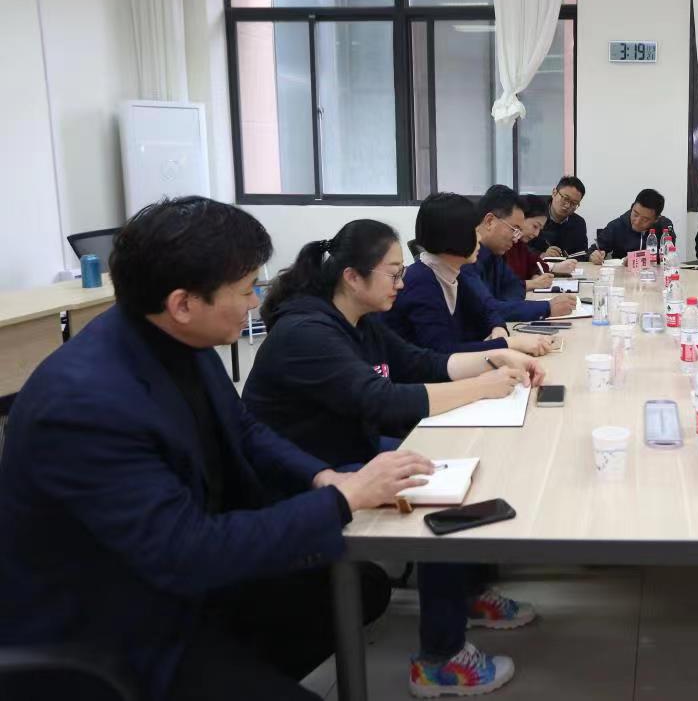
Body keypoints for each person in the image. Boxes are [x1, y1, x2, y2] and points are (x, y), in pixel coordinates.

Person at [0, 197, 425, 701]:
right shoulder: (84, 405)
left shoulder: (174, 336)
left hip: (178, 581)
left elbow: (244, 429)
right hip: (117, 627)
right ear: (183, 303)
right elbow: (188, 552)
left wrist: (323, 478)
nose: (255, 303)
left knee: (359, 588)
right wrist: (341, 501)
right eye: (245, 290)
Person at [243, 218, 545, 698]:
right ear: (352, 277)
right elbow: (384, 401)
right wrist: (483, 386)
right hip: (308, 475)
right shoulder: (307, 333)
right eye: (394, 273)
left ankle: (465, 595)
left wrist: (498, 356)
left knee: (468, 469)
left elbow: (423, 362)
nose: (402, 283)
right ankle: (439, 661)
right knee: (438, 494)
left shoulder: (362, 321)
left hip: (351, 452)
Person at [386, 194, 553, 357]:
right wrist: (510, 343)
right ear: (452, 236)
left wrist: (498, 329)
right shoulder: (421, 282)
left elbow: (488, 311)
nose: (479, 237)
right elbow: (443, 352)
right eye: (474, 231)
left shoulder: (454, 273)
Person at [466, 185, 576, 322]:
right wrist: (547, 308)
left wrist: (503, 305)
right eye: (514, 229)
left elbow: (515, 287)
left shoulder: (494, 254)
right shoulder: (465, 257)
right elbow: (486, 309)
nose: (516, 238)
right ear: (489, 221)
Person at [503, 194, 576, 291]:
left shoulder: (519, 244)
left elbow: (534, 264)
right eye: (535, 226)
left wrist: (536, 274)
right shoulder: (502, 245)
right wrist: (531, 283)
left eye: (540, 229)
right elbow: (500, 285)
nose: (536, 234)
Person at [588, 188, 677, 263]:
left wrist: (637, 258)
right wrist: (593, 256)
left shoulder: (664, 227)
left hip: (654, 275)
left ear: (656, 219)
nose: (637, 222)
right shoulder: (616, 226)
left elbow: (669, 254)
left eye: (645, 219)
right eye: (635, 214)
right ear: (632, 207)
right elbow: (591, 251)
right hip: (622, 275)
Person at [529, 175, 589, 259]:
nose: (567, 205)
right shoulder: (535, 214)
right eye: (565, 198)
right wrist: (541, 254)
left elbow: (582, 254)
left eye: (574, 203)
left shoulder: (579, 223)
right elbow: (520, 247)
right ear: (554, 193)